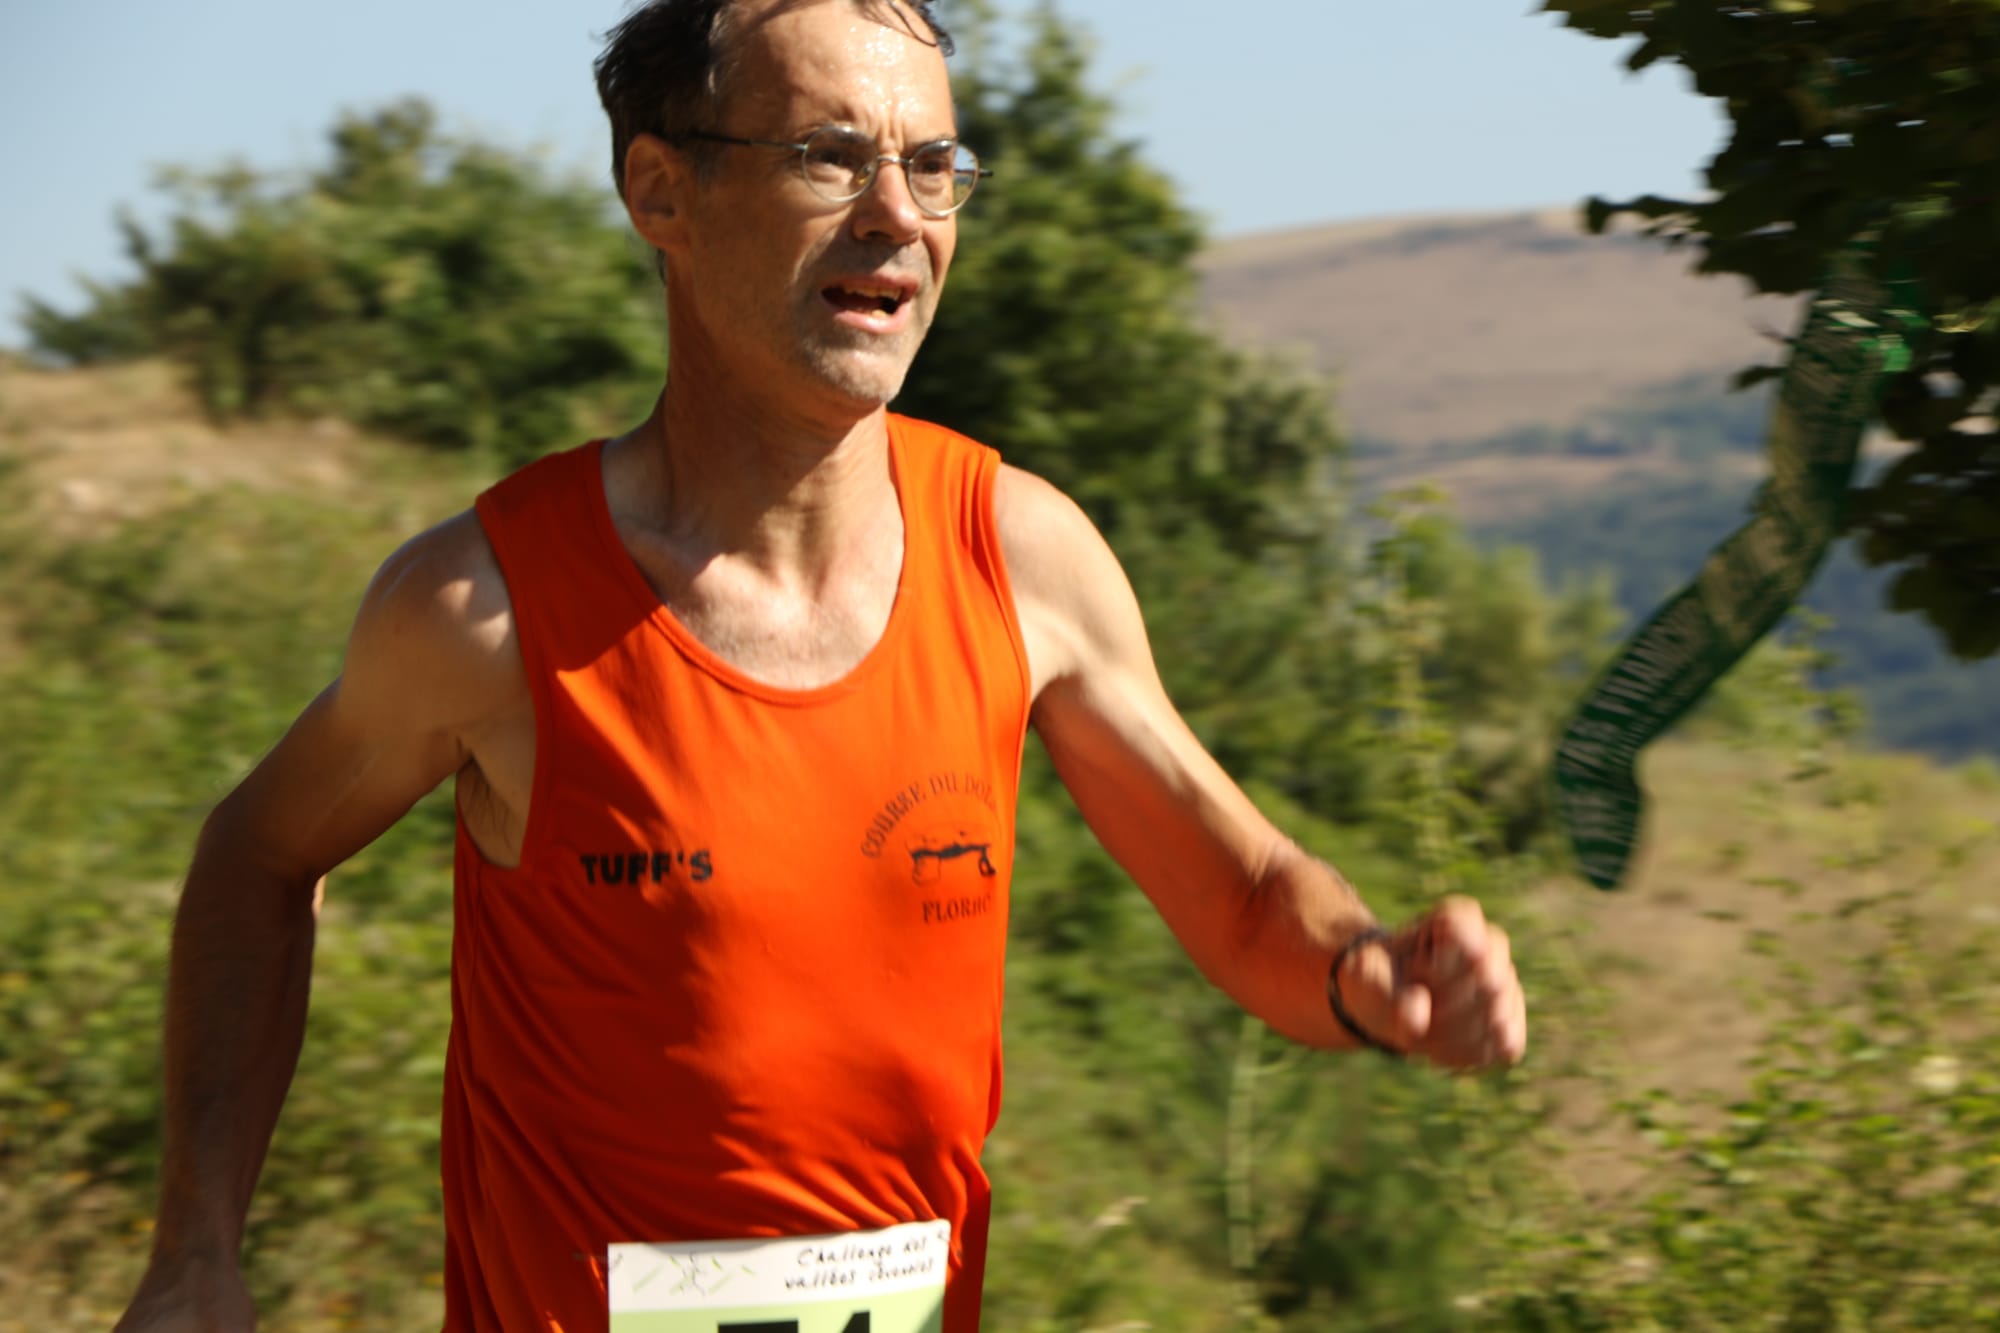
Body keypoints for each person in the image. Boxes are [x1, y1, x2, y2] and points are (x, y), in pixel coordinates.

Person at [115, 1, 1527, 1328]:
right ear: (661, 193)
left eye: (932, 162)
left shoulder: (1019, 558)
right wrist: (195, 1253)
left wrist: (1366, 975)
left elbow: (1241, 897)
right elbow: (256, 854)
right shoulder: (489, 607)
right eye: (829, 157)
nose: (899, 217)